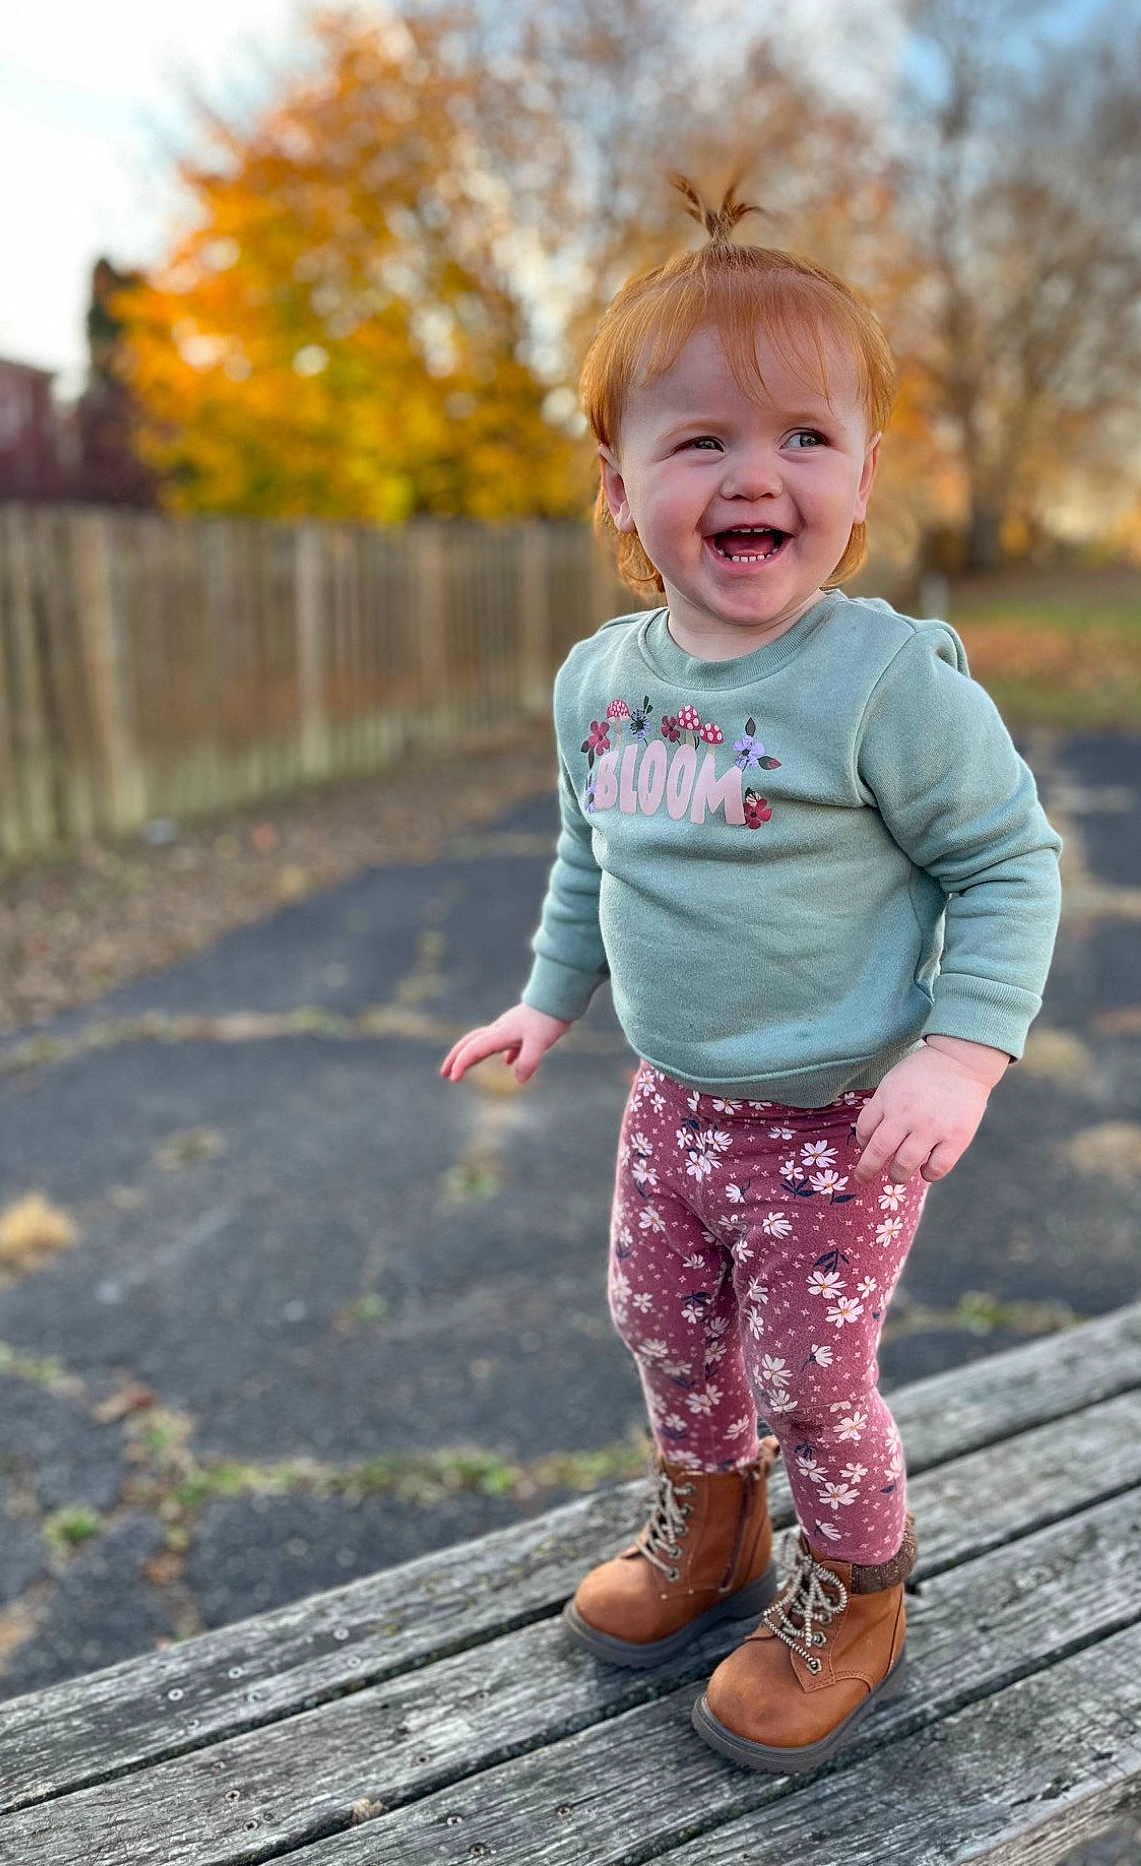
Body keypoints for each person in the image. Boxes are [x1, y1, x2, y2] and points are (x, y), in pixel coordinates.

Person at [440, 178, 1062, 1775]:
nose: (753, 473)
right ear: (619, 482)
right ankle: (709, 1535)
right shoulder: (600, 682)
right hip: (673, 1104)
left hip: (833, 1123)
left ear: (858, 482)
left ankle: (853, 1590)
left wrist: (962, 1053)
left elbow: (1007, 863)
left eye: (802, 436)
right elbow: (596, 858)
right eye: (699, 439)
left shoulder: (880, 681)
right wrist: (544, 998)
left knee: (811, 1376)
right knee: (657, 1321)